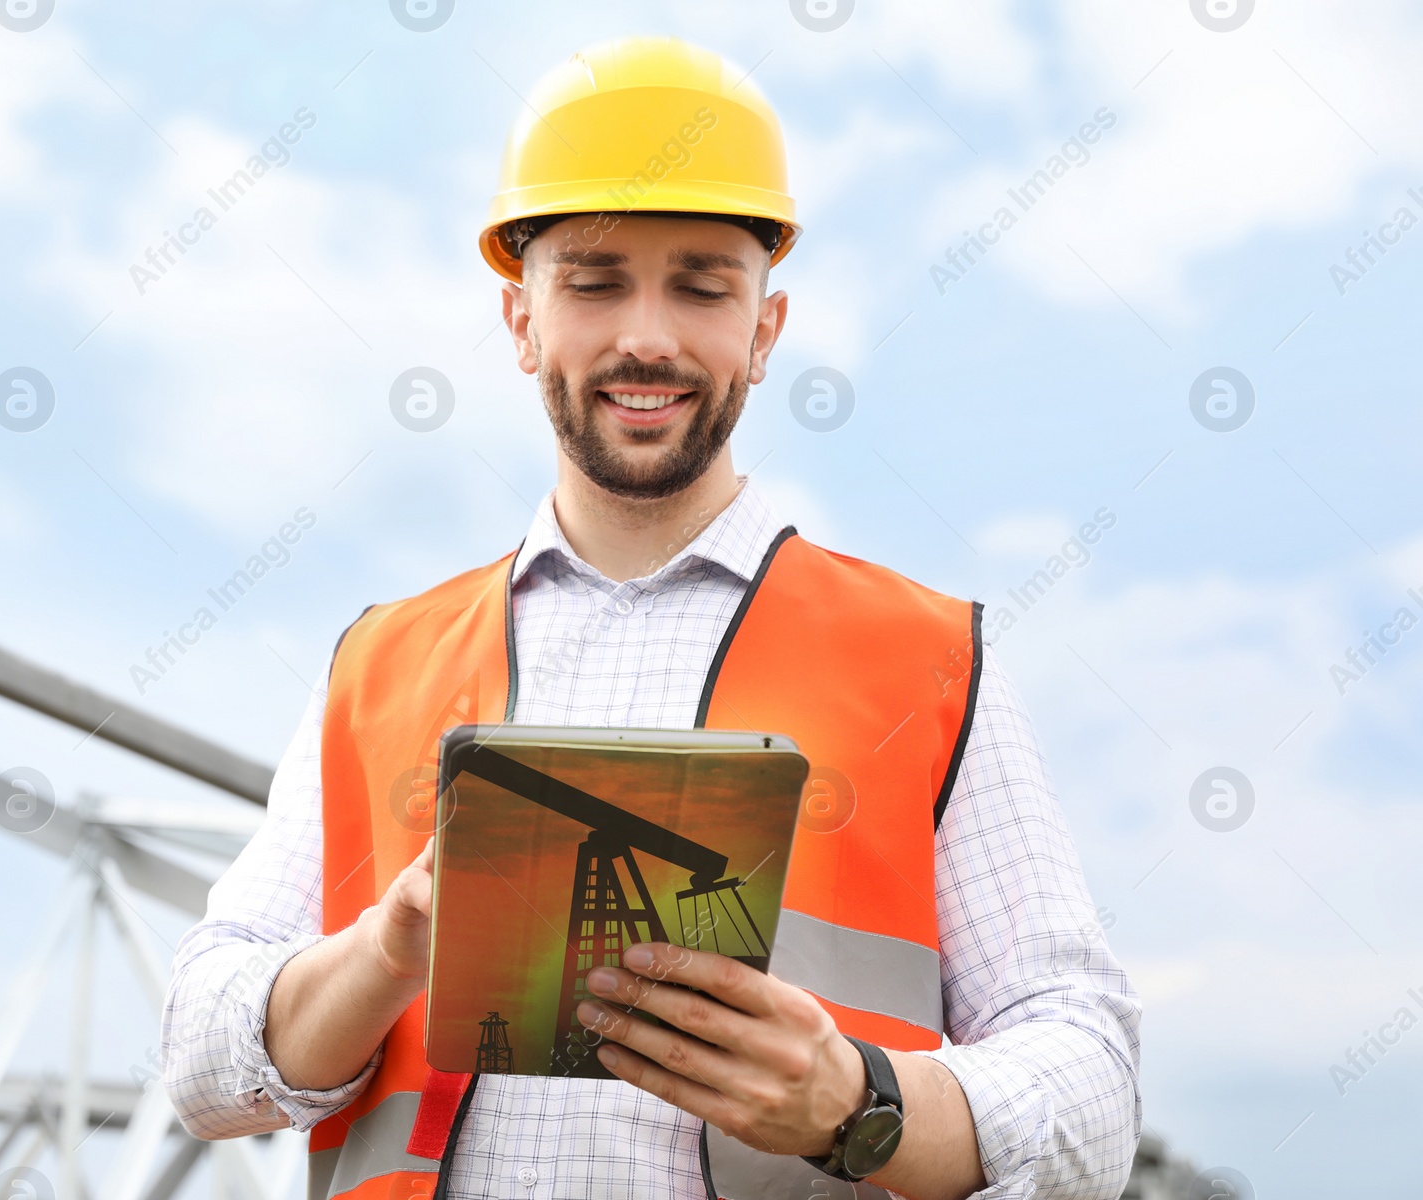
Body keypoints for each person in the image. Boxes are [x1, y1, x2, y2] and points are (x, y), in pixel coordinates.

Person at [162, 35, 1140, 1200]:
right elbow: (201, 1066)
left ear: (764, 331)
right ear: (520, 323)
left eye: (701, 284)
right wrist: (382, 955)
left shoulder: (928, 662)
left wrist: (857, 1100)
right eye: (592, 280)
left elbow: (1091, 1085)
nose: (647, 336)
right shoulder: (379, 666)